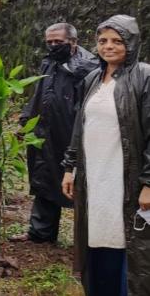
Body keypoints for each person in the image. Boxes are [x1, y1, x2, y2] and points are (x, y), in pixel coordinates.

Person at [62, 15, 150, 296]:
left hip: (126, 175)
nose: (108, 46)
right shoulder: (92, 79)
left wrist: (148, 183)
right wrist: (69, 167)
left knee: (127, 236)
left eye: (117, 40)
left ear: (132, 43)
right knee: (97, 231)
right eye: (102, 41)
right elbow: (80, 127)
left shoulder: (144, 77)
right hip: (94, 175)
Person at [9, 23, 99, 243]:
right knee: (44, 178)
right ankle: (40, 233)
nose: (53, 45)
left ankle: (89, 241)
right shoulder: (49, 63)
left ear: (73, 41)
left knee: (79, 185)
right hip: (44, 132)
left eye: (58, 42)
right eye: (49, 42)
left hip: (72, 135)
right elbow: (38, 93)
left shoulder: (88, 67)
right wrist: (24, 121)